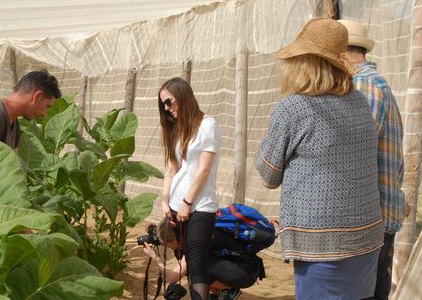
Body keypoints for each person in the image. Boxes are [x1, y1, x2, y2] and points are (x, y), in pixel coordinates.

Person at [254, 18, 384, 299]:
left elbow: (268, 174)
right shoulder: (359, 101)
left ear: (304, 62)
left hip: (322, 243)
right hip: (366, 236)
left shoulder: (293, 107)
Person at [339, 19, 406, 300]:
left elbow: (354, 149)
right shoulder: (370, 83)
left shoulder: (364, 85)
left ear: (341, 52)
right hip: (374, 215)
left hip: (368, 219)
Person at [157, 77, 220, 300]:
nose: (166, 108)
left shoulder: (207, 125)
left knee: (197, 263)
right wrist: (165, 200)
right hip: (176, 206)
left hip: (199, 206)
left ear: (183, 95)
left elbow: (203, 170)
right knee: (187, 261)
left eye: (169, 101)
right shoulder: (177, 129)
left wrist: (187, 203)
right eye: (163, 104)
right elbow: (172, 169)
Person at [141, 218, 261, 300]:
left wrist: (155, 257)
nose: (164, 247)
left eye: (164, 244)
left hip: (246, 274)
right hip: (244, 267)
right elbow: (155, 228)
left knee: (195, 270)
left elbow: (172, 277)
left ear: (173, 240)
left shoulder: (193, 246)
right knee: (196, 267)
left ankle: (229, 290)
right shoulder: (192, 232)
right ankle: (216, 293)